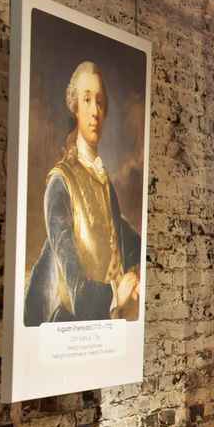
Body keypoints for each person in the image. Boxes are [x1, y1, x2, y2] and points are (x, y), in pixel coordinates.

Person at [24, 61, 142, 325]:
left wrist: (137, 274)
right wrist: (116, 295)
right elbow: (76, 289)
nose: (94, 111)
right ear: (75, 107)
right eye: (87, 100)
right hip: (70, 327)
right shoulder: (61, 182)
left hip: (110, 326)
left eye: (100, 102)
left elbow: (125, 238)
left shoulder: (103, 180)